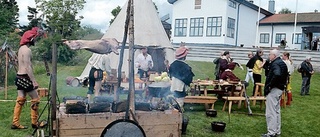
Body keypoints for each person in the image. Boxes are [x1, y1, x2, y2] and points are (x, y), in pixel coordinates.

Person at [11, 27, 43, 129]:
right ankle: (35, 123)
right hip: (25, 78)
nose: (36, 40)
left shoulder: (21, 49)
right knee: (35, 99)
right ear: (31, 39)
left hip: (19, 77)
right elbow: (28, 67)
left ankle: (15, 123)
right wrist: (33, 81)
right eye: (35, 38)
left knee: (20, 99)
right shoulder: (27, 50)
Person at [262, 49, 289, 137]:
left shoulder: (275, 64)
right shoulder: (282, 63)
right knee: (276, 110)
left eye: (270, 54)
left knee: (270, 112)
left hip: (274, 89)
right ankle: (277, 131)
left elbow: (277, 74)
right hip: (280, 88)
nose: (269, 56)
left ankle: (271, 132)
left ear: (274, 56)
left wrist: (270, 85)